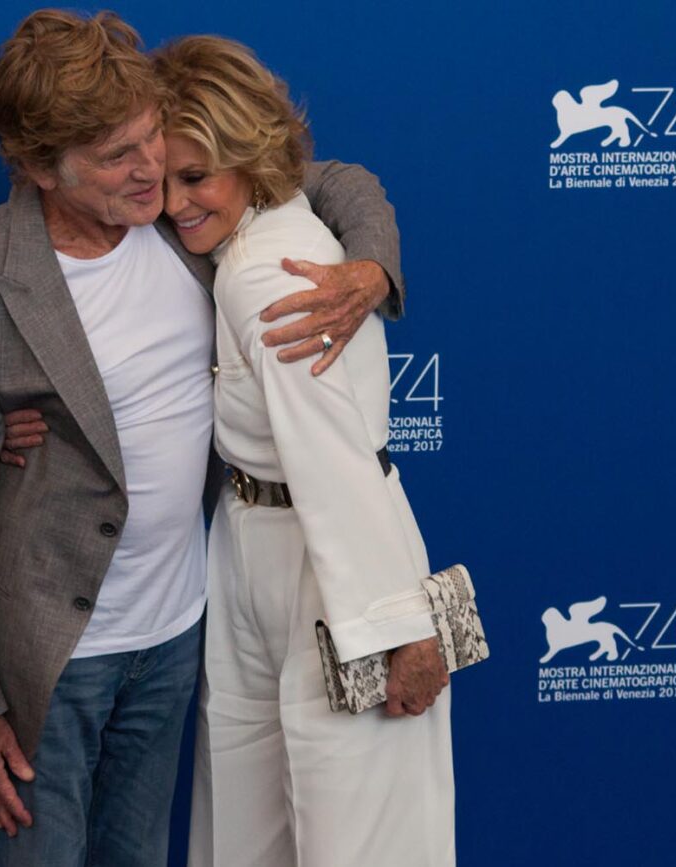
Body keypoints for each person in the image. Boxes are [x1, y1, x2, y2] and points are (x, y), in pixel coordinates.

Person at [0, 10, 408, 866]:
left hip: (178, 633)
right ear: (37, 168)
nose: (152, 175)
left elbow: (339, 181)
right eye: (115, 157)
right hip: (50, 658)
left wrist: (370, 268)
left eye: (152, 141)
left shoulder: (182, 219)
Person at [151, 36, 454, 866]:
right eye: (164, 176)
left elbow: (333, 462)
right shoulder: (245, 242)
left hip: (333, 562)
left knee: (359, 837)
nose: (174, 203)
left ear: (248, 156)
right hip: (250, 542)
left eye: (196, 176)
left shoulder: (270, 274)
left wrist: (402, 627)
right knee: (257, 824)